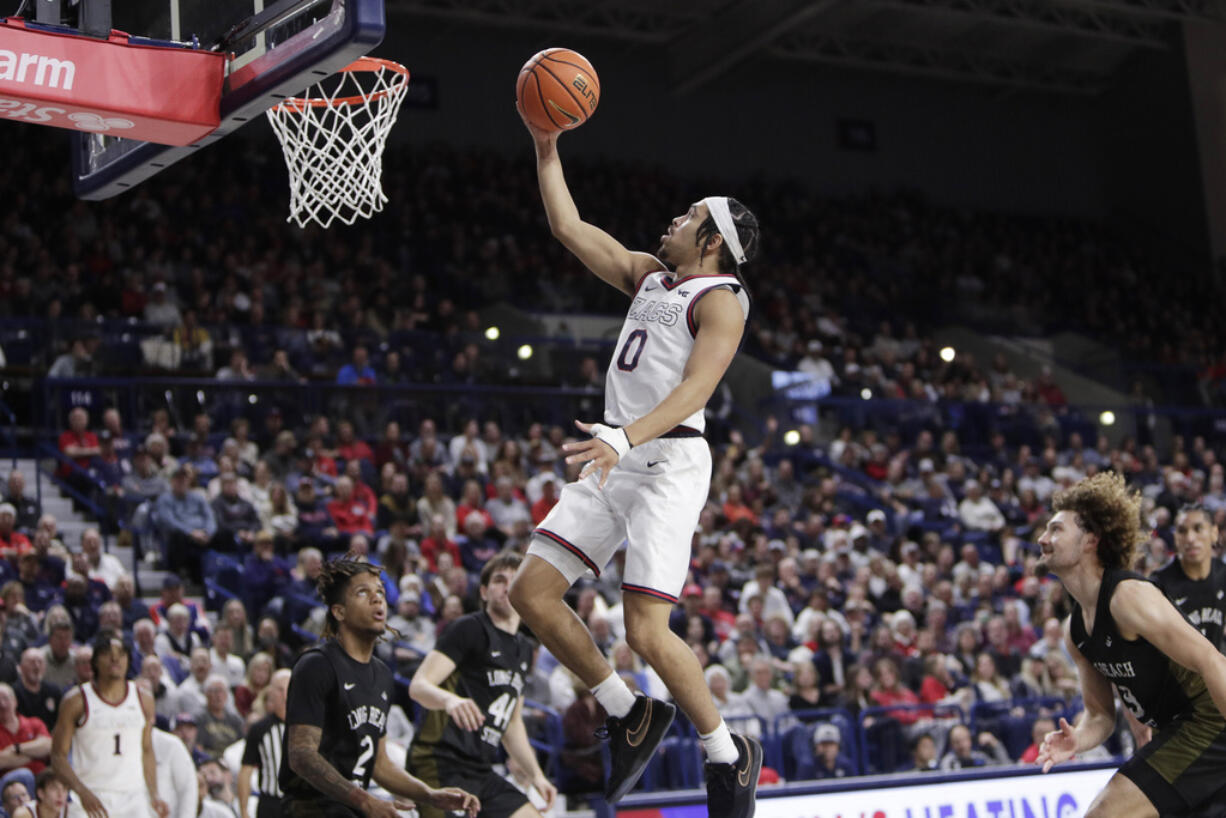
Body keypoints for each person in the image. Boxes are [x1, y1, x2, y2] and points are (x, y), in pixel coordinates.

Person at [508, 104, 762, 816]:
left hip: (668, 460)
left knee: (645, 630)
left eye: (687, 216)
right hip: (616, 451)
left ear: (713, 240)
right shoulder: (651, 277)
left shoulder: (723, 299)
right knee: (529, 594)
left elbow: (698, 389)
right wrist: (545, 146)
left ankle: (727, 753)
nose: (672, 221)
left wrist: (625, 438)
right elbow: (568, 228)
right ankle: (629, 712)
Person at [1036, 473, 1226, 817]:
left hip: (1208, 720)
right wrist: (1078, 738)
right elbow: (1101, 714)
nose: (1042, 538)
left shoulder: (1127, 596)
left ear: (1091, 539)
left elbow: (1211, 659)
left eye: (1055, 529)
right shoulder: (1075, 630)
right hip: (1175, 728)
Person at [279, 557, 479, 818]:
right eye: (363, 592)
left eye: (381, 592)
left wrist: (429, 795)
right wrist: (365, 801)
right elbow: (302, 756)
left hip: (352, 807)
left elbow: (380, 763)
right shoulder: (317, 665)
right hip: (309, 808)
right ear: (339, 611)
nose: (377, 599)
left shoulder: (383, 674)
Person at [407, 551, 556, 818]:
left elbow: (512, 723)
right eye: (500, 580)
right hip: (438, 762)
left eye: (516, 579)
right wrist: (449, 700)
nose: (508, 586)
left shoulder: (523, 648)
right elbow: (418, 686)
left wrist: (536, 776)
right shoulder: (468, 628)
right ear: (485, 592)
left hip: (480, 768)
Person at [50, 629, 169, 818]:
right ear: (95, 661)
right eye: (108, 654)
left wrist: (154, 794)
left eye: (121, 654)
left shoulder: (144, 699)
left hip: (133, 797)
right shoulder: (76, 700)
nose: (115, 659)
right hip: (91, 796)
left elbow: (147, 749)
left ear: (129, 660)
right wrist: (81, 792)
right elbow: (57, 756)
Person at [1152, 504, 1226, 652]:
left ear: (1214, 533)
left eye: (1198, 529)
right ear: (1175, 538)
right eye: (1182, 531)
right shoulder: (1158, 584)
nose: (1190, 538)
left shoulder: (1223, 574)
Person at [238, 669, 290, 818]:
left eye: (289, 688)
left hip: (302, 803)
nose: (285, 695)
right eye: (280, 690)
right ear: (271, 693)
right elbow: (246, 770)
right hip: (271, 803)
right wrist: (244, 810)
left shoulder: (308, 726)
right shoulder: (260, 729)